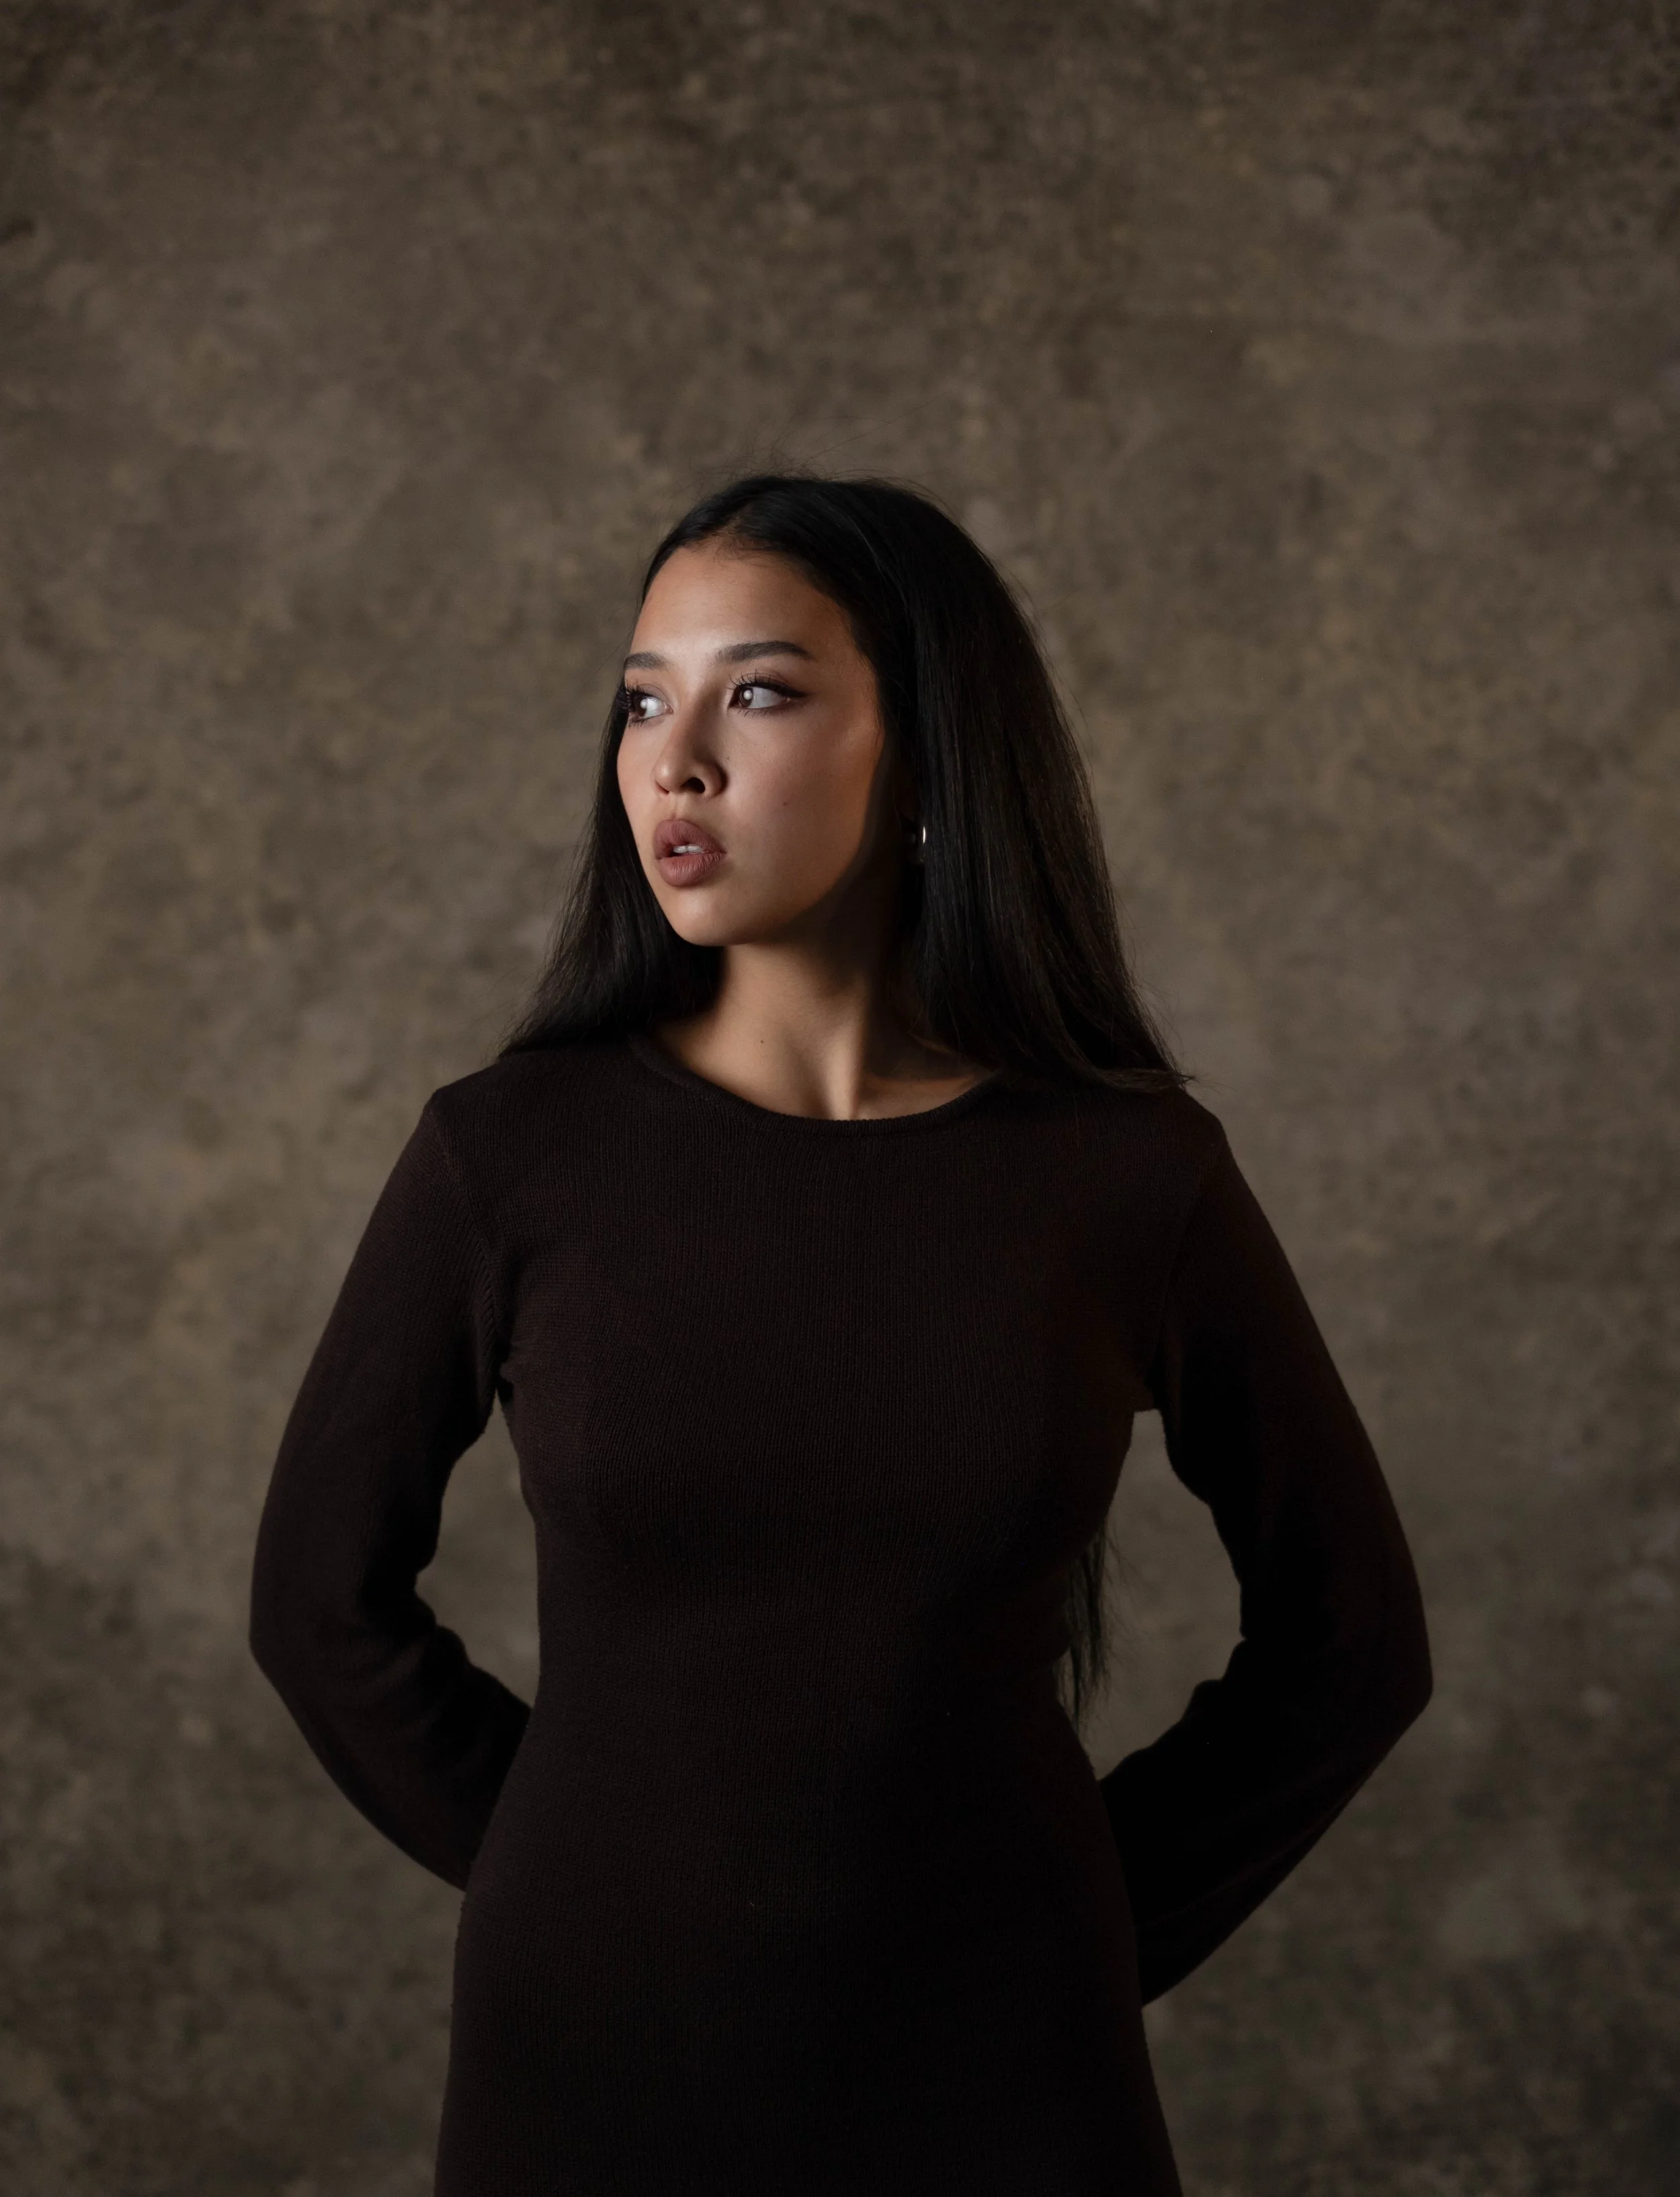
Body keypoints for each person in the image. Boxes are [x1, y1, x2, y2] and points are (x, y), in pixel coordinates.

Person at [249, 473, 1431, 2196]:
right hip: (584, 2089)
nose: (676, 758)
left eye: (760, 690)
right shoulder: (507, 1155)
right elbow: (315, 1603)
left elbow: (1352, 1639)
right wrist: (566, 1873)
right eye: (643, 699)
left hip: (1011, 2097)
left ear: (928, 752)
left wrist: (1081, 1925)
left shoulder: (1125, 1173)